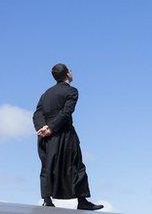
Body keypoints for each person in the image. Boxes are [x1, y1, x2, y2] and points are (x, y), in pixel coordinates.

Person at [33, 63, 103, 210]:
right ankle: (82, 201)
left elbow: (37, 113)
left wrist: (42, 128)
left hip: (45, 136)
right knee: (76, 165)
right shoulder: (72, 91)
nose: (72, 72)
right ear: (67, 74)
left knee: (47, 166)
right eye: (70, 70)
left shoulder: (46, 94)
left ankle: (47, 200)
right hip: (63, 133)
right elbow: (66, 113)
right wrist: (51, 128)